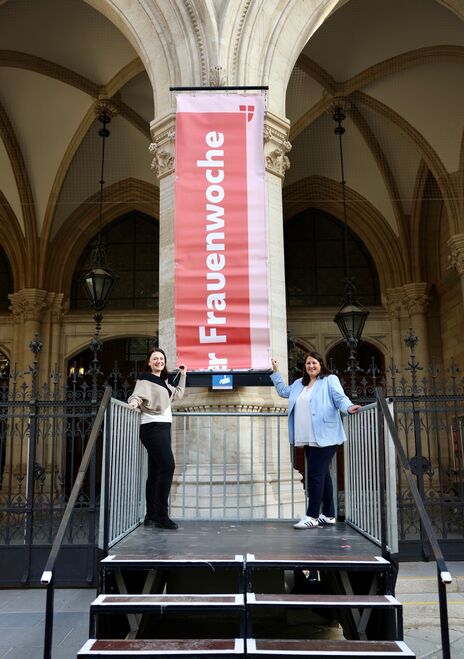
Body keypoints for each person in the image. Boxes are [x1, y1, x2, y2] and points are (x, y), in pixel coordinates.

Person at [271, 351, 361, 529]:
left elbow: (339, 398)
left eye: (314, 363)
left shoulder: (329, 380)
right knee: (323, 474)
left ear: (321, 364)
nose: (311, 366)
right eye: (308, 364)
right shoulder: (299, 384)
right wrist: (275, 372)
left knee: (314, 475)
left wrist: (349, 407)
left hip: (326, 435)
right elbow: (283, 392)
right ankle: (328, 515)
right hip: (307, 437)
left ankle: (312, 516)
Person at [128, 348, 187, 530]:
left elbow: (176, 394)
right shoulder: (145, 379)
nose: (159, 361)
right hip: (152, 427)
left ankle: (151, 515)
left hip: (162, 428)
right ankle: (162, 515)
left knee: (155, 472)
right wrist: (134, 402)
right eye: (155, 359)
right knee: (168, 466)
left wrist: (183, 375)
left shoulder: (163, 382)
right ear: (149, 362)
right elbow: (137, 395)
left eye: (161, 358)